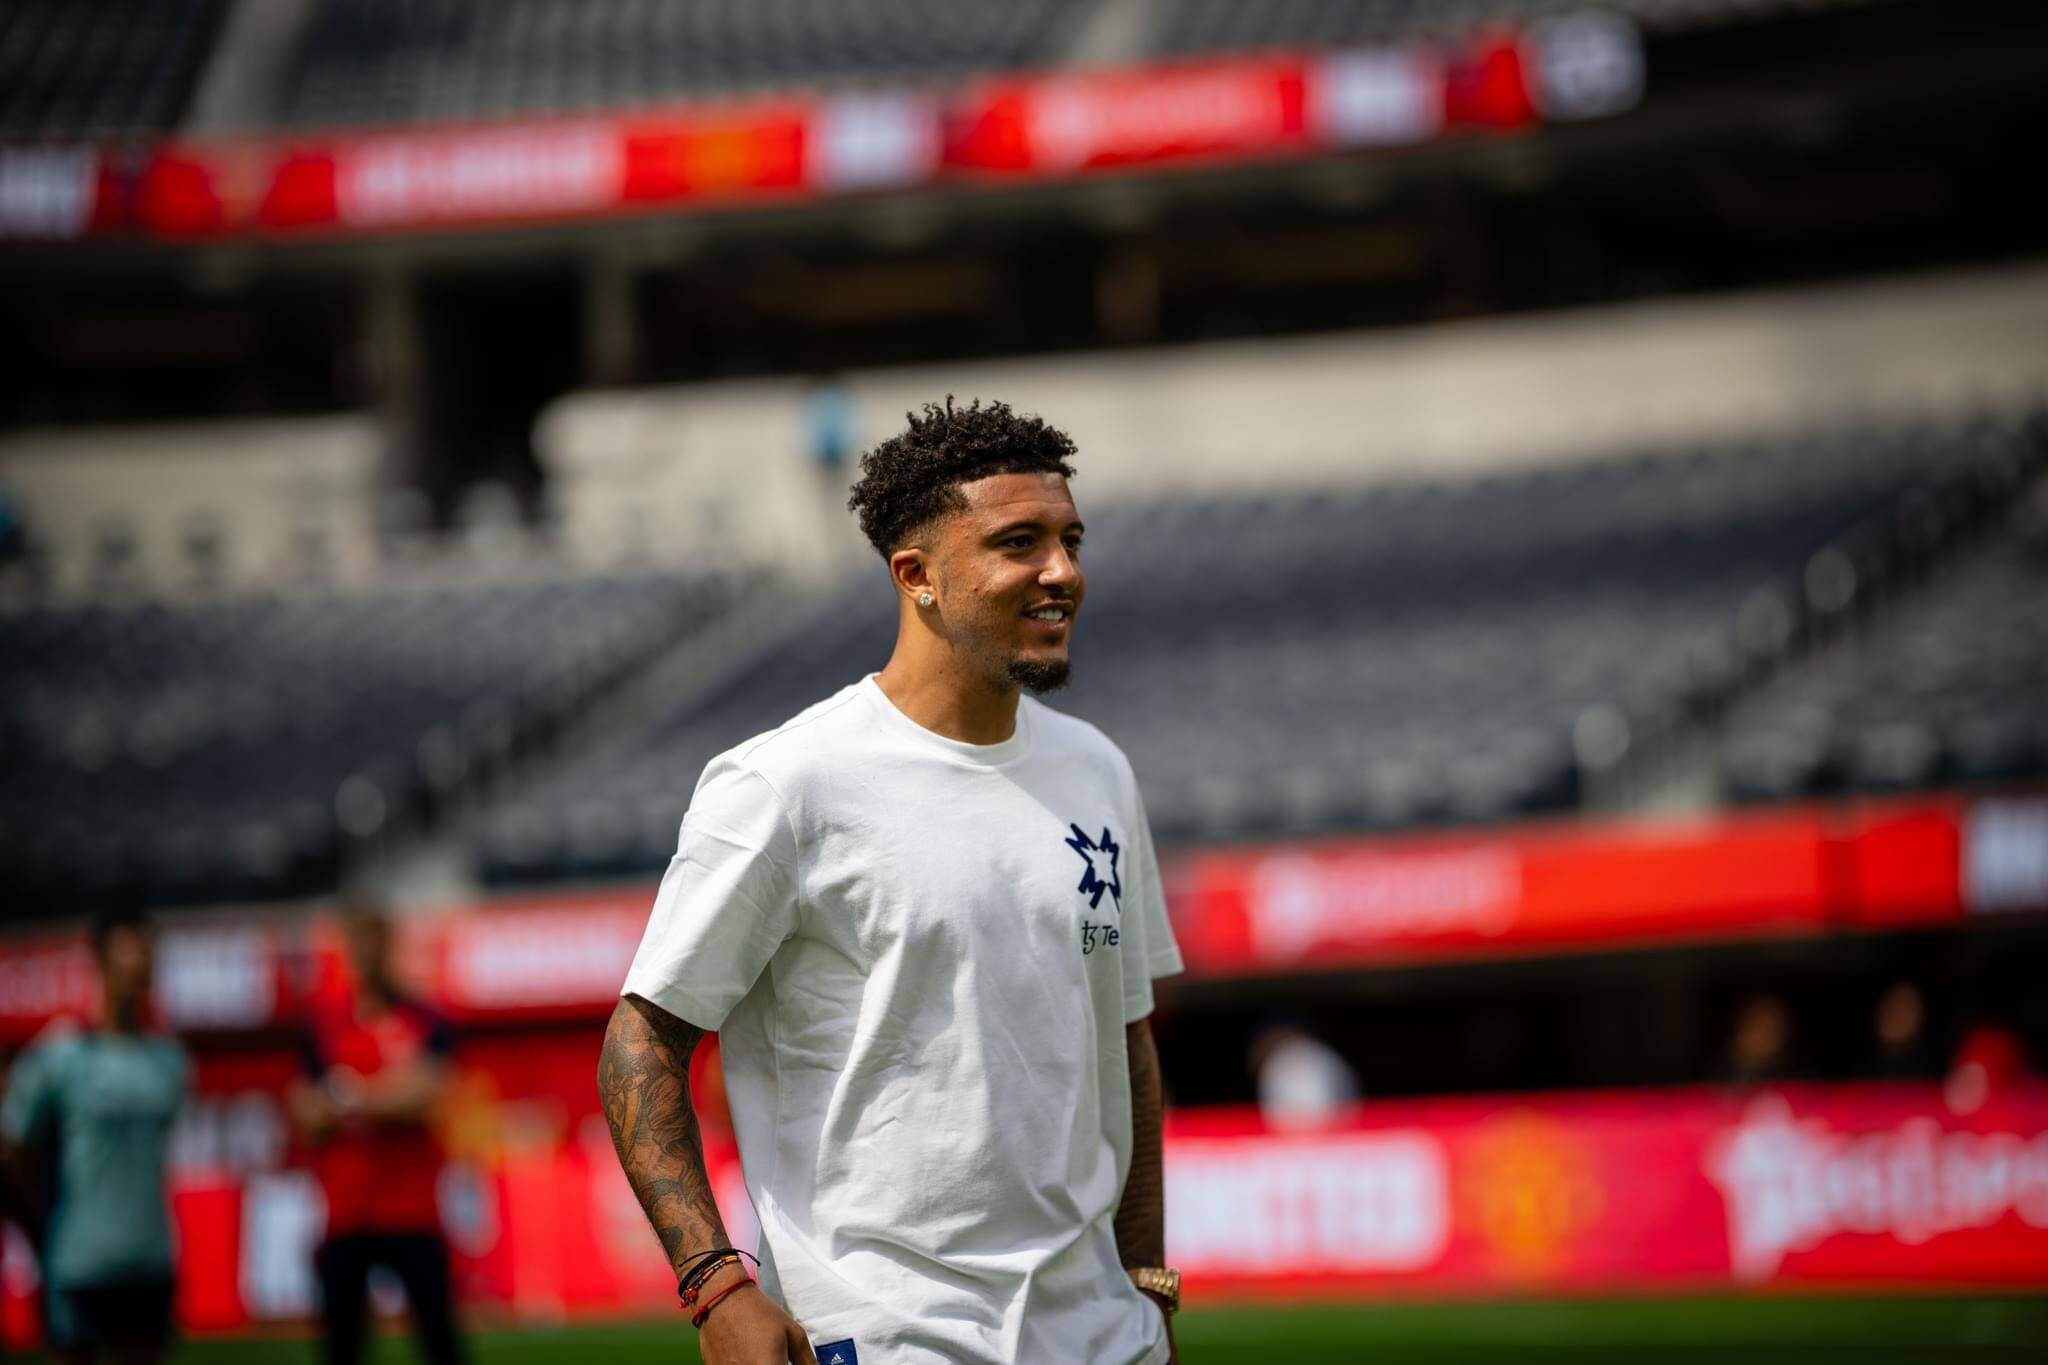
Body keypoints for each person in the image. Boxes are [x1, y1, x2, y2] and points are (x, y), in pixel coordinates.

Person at [601, 397, 1184, 1364]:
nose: (1064, 573)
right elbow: (640, 1041)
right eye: (1019, 542)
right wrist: (713, 1284)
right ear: (916, 575)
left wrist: (1149, 1281)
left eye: (1071, 539)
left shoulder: (1099, 770)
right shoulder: (786, 784)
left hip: (1106, 1340)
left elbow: (1126, 1045)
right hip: (891, 1339)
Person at [0, 906, 189, 1365]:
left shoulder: (169, 1061)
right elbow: (12, 1152)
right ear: (101, 963)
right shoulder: (59, 1056)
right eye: (126, 957)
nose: (137, 970)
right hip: (79, 1263)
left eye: (145, 958)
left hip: (151, 1259)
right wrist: (41, 1230)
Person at [288, 907, 465, 1365]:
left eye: (375, 944)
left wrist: (346, 1096)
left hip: (412, 1210)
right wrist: (384, 1094)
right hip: (347, 1209)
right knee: (341, 1344)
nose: (366, 956)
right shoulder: (322, 1022)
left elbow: (424, 1096)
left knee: (439, 1340)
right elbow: (305, 1113)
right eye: (357, 944)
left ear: (390, 949)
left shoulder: (426, 1019)